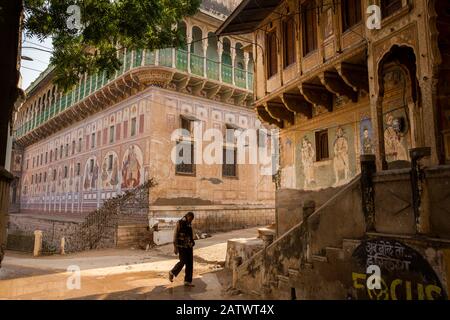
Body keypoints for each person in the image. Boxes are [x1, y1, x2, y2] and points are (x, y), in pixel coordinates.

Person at [169, 212, 196, 287]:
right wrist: (175, 247)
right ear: (187, 216)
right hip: (181, 247)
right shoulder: (180, 223)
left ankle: (187, 281)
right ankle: (172, 272)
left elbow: (191, 235)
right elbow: (175, 235)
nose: (191, 220)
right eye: (190, 219)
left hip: (189, 247)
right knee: (183, 261)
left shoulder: (189, 224)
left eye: (192, 219)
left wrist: (192, 242)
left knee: (190, 264)